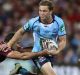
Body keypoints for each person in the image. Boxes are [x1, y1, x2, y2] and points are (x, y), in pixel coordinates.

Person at [0, 0, 66, 75]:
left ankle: (22, 71)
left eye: (44, 11)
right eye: (40, 10)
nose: (41, 13)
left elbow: (63, 40)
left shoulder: (59, 22)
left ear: (51, 11)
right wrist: (9, 45)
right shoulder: (33, 22)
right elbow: (22, 55)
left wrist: (57, 50)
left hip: (48, 53)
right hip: (40, 54)